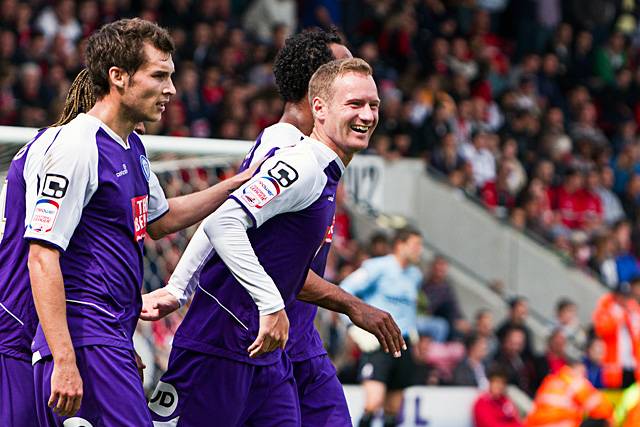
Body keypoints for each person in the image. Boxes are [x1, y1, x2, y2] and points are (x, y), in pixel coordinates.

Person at [143, 30, 404, 426]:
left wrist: (179, 289)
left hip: (282, 340)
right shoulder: (291, 155)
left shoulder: (321, 163)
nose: (367, 113)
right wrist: (330, 304)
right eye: (350, 93)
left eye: (373, 102)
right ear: (319, 95)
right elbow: (226, 221)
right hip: (232, 333)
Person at [25, 19, 253, 426]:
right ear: (118, 77)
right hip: (84, 336)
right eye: (159, 75)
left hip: (109, 336)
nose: (171, 90)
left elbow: (161, 220)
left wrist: (237, 184)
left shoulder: (131, 145)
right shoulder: (78, 146)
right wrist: (65, 357)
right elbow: (42, 256)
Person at [340, 227, 424, 427]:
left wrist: (414, 334)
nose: (419, 250)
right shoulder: (377, 267)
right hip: (379, 343)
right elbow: (344, 290)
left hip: (403, 344)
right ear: (400, 245)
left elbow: (408, 308)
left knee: (394, 409)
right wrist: (354, 328)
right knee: (373, 403)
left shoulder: (415, 275)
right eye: (415, 245)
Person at [524, 361, 613, 427]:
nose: (586, 378)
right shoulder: (576, 382)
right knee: (603, 421)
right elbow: (604, 410)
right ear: (578, 370)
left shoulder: (550, 381)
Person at [592, 281, 640, 389]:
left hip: (632, 365)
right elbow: (601, 329)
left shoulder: (633, 310)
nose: (624, 299)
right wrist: (618, 316)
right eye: (622, 295)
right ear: (616, 295)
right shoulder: (607, 308)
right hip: (613, 367)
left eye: (627, 296)